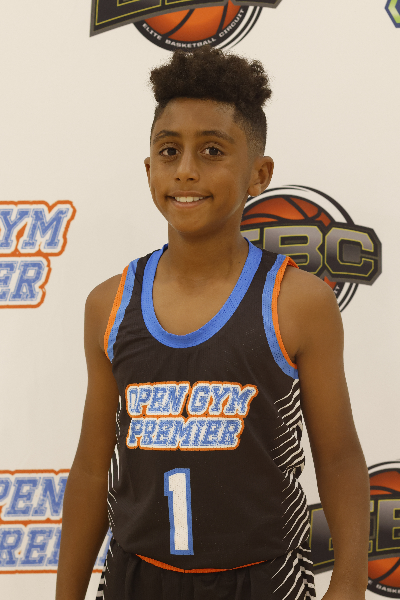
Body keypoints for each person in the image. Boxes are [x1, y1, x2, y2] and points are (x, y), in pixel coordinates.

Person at [56, 46, 370, 600]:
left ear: (259, 174)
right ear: (149, 168)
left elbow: (340, 458)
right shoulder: (108, 304)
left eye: (212, 150)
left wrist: (348, 582)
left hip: (264, 580)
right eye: (169, 150)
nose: (186, 169)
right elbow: (89, 469)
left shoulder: (298, 303)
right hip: (135, 577)